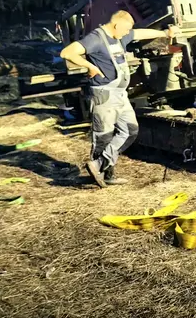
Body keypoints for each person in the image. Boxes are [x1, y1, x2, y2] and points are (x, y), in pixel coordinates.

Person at [59, 10, 177, 188]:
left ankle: (100, 166)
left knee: (130, 131)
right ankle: (103, 174)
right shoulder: (96, 38)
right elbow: (67, 53)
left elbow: (140, 33)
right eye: (125, 29)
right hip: (104, 95)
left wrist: (164, 33)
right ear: (115, 25)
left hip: (120, 95)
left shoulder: (119, 36)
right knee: (103, 136)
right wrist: (89, 66)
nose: (127, 33)